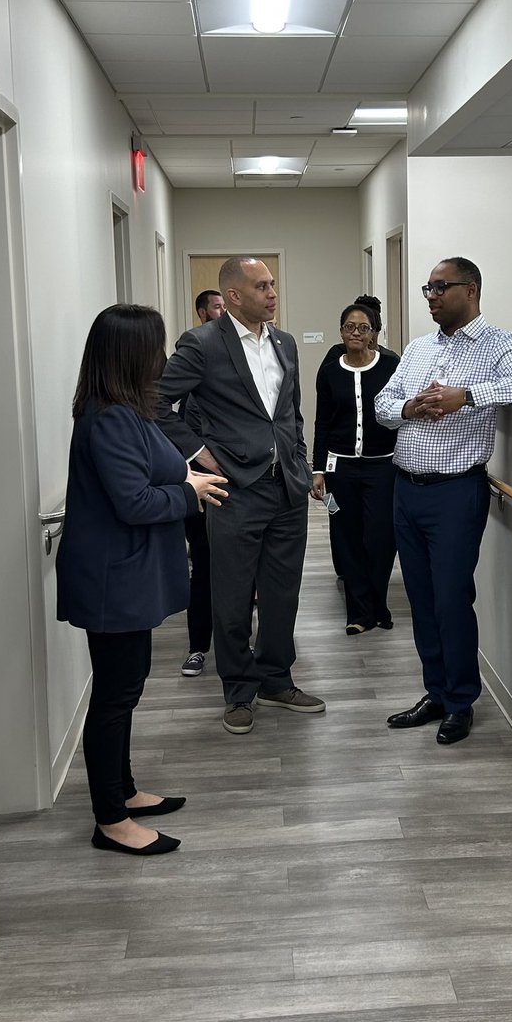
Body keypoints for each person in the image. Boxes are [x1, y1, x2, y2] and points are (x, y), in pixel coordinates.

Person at [56, 304, 227, 854]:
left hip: (127, 575)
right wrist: (190, 492)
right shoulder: (107, 417)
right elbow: (132, 501)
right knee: (114, 696)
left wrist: (185, 475)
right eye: (155, 347)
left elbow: (155, 467)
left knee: (125, 691)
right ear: (130, 354)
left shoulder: (127, 410)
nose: (161, 358)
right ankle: (110, 820)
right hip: (112, 580)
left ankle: (123, 791)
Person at [375, 256, 512, 745]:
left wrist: (465, 396)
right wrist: (410, 406)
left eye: (439, 287)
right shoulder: (417, 348)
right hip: (405, 489)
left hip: (455, 492)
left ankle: (461, 701)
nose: (430, 296)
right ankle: (435, 691)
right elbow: (383, 405)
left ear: (469, 290)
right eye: (426, 288)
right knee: (422, 600)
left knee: (452, 599)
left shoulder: (500, 344)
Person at [157, 256, 326, 735]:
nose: (272, 293)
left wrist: (300, 457)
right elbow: (155, 401)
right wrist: (195, 451)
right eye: (261, 286)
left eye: (273, 283)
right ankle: (238, 689)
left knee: (282, 591)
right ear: (233, 296)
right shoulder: (203, 343)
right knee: (231, 594)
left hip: (287, 488)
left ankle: (276, 678)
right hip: (236, 490)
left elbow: (290, 411)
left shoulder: (285, 342)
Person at [311, 301, 399, 634]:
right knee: (346, 538)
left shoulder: (391, 365)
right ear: (341, 331)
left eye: (363, 327)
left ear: (375, 333)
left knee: (380, 539)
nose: (356, 333)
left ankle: (378, 605)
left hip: (383, 467)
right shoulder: (331, 370)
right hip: (340, 470)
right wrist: (318, 469)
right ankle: (359, 614)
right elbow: (322, 422)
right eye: (350, 326)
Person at [179, 289, 226, 678]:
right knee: (206, 566)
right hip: (202, 485)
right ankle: (198, 647)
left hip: (238, 487)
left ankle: (238, 644)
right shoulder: (194, 358)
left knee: (240, 573)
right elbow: (174, 421)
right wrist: (203, 459)